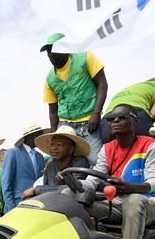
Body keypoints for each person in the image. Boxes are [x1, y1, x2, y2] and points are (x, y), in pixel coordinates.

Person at [64, 104, 155, 239]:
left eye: (120, 117)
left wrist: (131, 187)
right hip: (115, 203)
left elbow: (154, 181)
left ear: (134, 120)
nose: (114, 121)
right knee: (67, 194)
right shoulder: (107, 148)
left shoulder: (150, 144)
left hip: (147, 203)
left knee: (133, 200)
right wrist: (79, 185)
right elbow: (95, 177)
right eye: (110, 119)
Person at [41, 32, 108, 165]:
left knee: (95, 160)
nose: (50, 55)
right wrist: (55, 134)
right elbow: (53, 112)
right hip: (65, 123)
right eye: (48, 52)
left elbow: (102, 84)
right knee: (60, 161)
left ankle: (93, 185)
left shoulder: (85, 57)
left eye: (54, 50)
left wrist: (96, 113)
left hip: (89, 122)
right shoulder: (49, 79)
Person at [22, 125, 90, 199]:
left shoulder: (80, 163)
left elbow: (74, 189)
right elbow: (46, 188)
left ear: (71, 149)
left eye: (59, 145)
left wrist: (36, 190)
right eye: (52, 144)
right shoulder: (50, 166)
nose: (54, 148)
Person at [104, 77, 155, 141]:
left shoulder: (139, 87)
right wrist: (148, 123)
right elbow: (154, 112)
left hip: (106, 121)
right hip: (133, 113)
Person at [1, 121, 49, 213]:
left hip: (36, 204)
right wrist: (11, 207)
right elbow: (6, 184)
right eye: (39, 135)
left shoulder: (40, 156)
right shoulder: (13, 153)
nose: (41, 138)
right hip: (17, 204)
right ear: (31, 136)